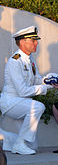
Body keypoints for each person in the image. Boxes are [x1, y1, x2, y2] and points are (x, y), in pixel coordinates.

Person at [0, 26, 50, 155]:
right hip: (11, 102)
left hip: (22, 103)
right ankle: (18, 144)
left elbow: (37, 79)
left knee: (33, 147)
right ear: (22, 42)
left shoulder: (30, 59)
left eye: (36, 40)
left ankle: (7, 138)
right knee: (38, 107)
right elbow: (23, 91)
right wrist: (43, 89)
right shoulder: (14, 61)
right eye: (32, 40)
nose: (36, 43)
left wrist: (51, 81)